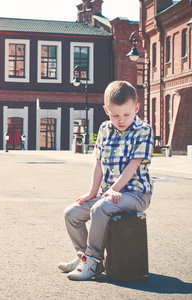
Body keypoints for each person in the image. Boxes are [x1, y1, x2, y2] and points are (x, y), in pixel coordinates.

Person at [59, 81, 154, 281]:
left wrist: (113, 189)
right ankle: (82, 256)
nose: (121, 120)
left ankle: (93, 262)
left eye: (127, 114)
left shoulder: (143, 130)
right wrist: (93, 192)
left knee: (100, 208)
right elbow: (98, 163)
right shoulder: (104, 129)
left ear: (136, 108)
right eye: (115, 115)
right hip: (108, 194)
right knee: (72, 213)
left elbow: (133, 166)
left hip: (136, 194)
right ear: (106, 110)